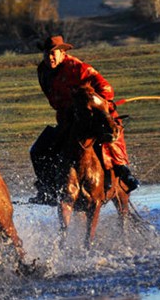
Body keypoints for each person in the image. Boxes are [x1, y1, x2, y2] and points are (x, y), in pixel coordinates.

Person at [29, 35, 139, 205]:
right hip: (66, 119)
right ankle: (47, 189)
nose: (49, 57)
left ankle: (123, 172)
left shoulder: (79, 68)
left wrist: (94, 102)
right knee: (37, 150)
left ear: (62, 52)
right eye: (46, 54)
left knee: (108, 137)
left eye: (53, 53)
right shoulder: (43, 71)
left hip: (89, 114)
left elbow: (106, 89)